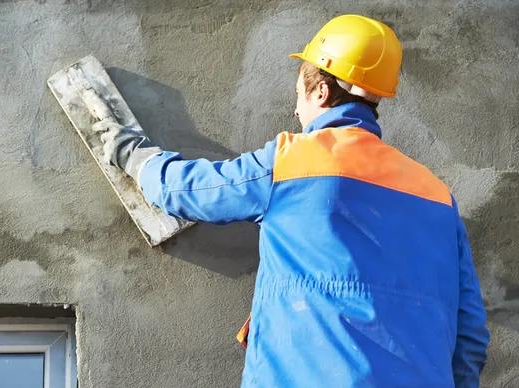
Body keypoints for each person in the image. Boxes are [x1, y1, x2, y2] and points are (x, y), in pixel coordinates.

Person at [93, 14, 490, 388]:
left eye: (299, 91)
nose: (295, 106)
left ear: (321, 90)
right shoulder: (436, 193)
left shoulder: (295, 160)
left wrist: (132, 153)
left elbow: (186, 190)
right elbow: (470, 331)